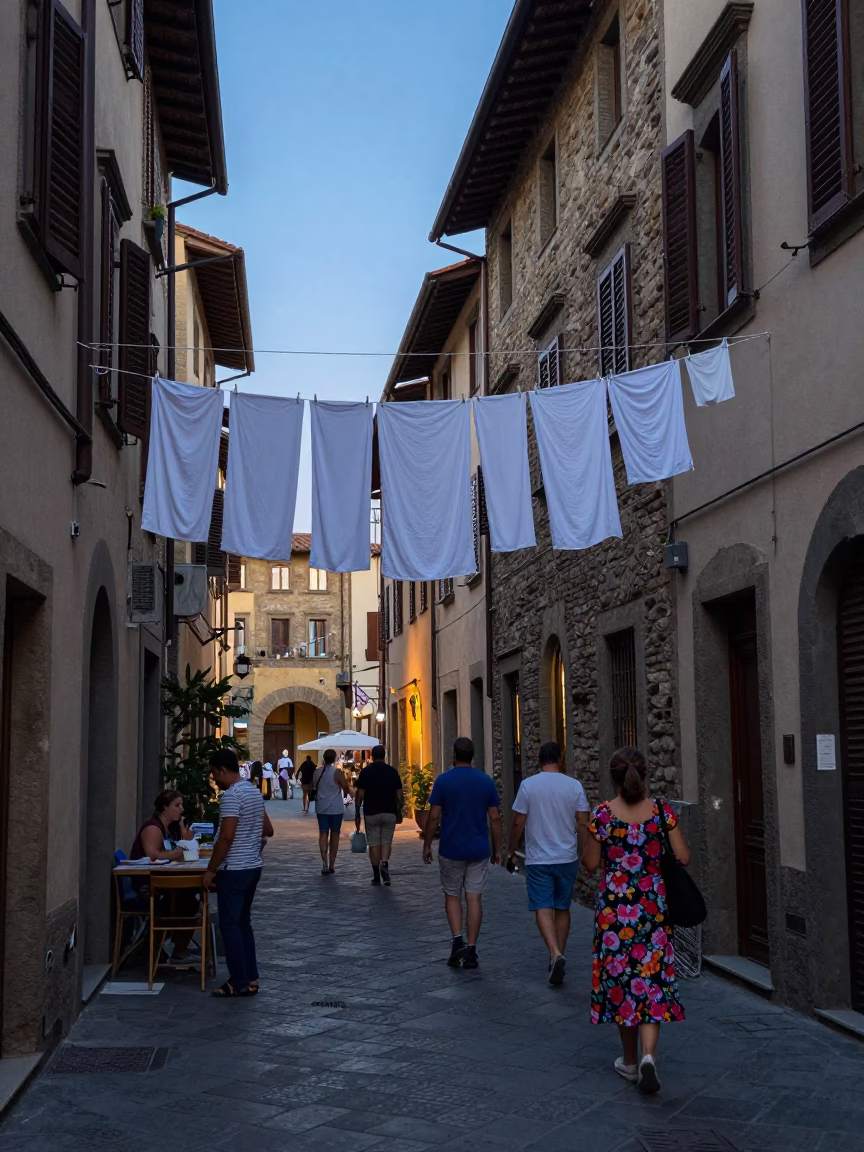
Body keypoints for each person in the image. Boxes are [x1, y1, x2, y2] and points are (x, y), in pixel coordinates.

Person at [581, 746, 690, 1094]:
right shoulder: (661, 812)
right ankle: (648, 1057)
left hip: (615, 915)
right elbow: (684, 857)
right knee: (651, 984)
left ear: (613, 777)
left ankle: (629, 1062)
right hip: (653, 912)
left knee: (622, 985)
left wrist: (588, 833)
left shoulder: (602, 815)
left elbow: (591, 865)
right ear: (645, 776)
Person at [508, 741, 591, 986]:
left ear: (540, 761)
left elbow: (517, 822)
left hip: (538, 858)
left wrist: (511, 849)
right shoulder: (574, 786)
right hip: (567, 857)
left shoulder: (528, 786)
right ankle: (557, 954)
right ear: (560, 758)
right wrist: (585, 852)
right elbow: (583, 823)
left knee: (543, 906)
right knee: (562, 907)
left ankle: (555, 954)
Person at [423, 737, 502, 970]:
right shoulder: (485, 781)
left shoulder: (443, 781)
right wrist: (498, 848)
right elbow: (495, 818)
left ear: (454, 755)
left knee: (452, 895)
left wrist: (427, 844)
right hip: (478, 849)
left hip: (451, 848)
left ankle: (457, 941)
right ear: (472, 756)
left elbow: (434, 816)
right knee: (474, 897)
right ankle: (472, 948)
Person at [205, 749, 274, 998]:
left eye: (214, 773)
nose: (214, 780)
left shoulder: (232, 797)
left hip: (233, 869)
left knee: (230, 925)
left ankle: (238, 982)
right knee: (244, 924)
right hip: (253, 867)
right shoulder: (253, 791)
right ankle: (250, 978)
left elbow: (226, 836)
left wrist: (211, 869)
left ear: (223, 769)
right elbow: (268, 829)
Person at [130, 789, 196, 962]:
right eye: (177, 805)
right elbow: (153, 855)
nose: (181, 809)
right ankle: (167, 951)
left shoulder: (169, 829)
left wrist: (182, 828)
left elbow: (188, 843)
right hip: (148, 886)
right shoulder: (153, 828)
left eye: (181, 805)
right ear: (164, 807)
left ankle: (173, 949)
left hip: (163, 882)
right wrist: (179, 852)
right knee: (188, 902)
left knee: (189, 898)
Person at [354, 745, 403, 886]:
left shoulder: (366, 772)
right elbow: (400, 796)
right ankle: (385, 865)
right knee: (386, 841)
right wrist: (399, 810)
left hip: (372, 812)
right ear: (384, 756)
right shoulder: (393, 772)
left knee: (374, 844)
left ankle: (376, 876)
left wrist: (357, 811)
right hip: (389, 811)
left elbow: (360, 794)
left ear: (372, 757)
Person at [313, 749, 354, 874]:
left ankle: (324, 863)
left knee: (323, 834)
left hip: (321, 807)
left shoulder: (317, 772)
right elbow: (346, 788)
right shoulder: (337, 772)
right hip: (336, 808)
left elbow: (313, 786)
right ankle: (332, 864)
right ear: (335, 759)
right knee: (335, 834)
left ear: (324, 759)